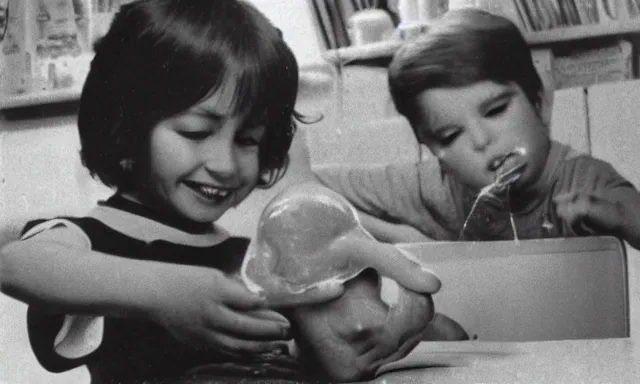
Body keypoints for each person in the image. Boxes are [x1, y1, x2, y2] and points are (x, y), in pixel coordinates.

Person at [0, 1, 441, 382]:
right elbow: (18, 263)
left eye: (248, 140)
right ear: (125, 124)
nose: (226, 164)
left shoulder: (245, 255)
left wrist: (356, 340)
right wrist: (165, 293)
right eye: (195, 132)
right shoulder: (91, 238)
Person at [313, 8, 640, 250]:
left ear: (539, 102)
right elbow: (309, 184)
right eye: (451, 136)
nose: (482, 141)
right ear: (433, 151)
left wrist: (616, 217)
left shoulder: (584, 180)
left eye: (496, 110)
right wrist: (407, 239)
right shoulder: (438, 187)